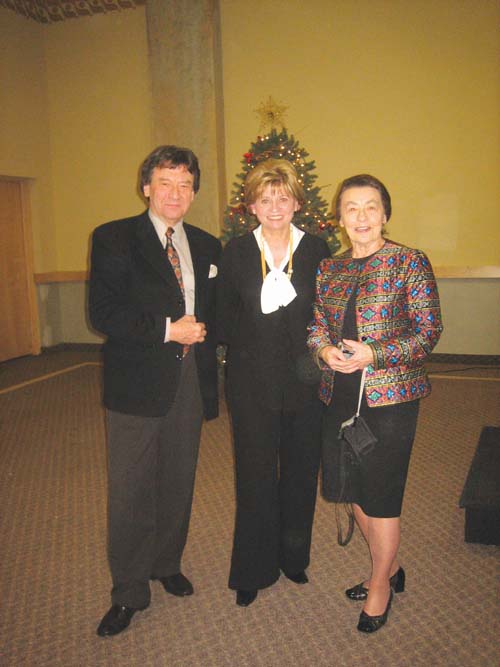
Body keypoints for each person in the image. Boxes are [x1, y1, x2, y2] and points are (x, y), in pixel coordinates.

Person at [89, 145, 221, 637]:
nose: (176, 193)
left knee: (178, 479)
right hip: (135, 383)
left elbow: (218, 311)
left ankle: (167, 563)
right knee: (129, 490)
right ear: (146, 186)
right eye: (166, 182)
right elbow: (104, 313)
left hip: (190, 379)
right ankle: (128, 591)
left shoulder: (208, 245)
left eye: (185, 185)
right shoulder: (114, 238)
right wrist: (169, 330)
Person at [307, 174, 443, 633]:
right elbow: (317, 328)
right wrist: (325, 351)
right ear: (340, 217)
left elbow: (428, 333)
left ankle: (380, 584)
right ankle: (391, 567)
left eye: (370, 207)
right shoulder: (331, 268)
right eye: (351, 208)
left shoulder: (408, 262)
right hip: (340, 393)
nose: (361, 217)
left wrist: (375, 354)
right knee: (351, 488)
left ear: (384, 214)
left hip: (391, 398)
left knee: (381, 495)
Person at [217, 159, 331, 607]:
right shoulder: (237, 253)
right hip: (251, 385)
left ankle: (292, 560)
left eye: (283, 197)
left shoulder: (317, 249)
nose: (275, 206)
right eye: (265, 198)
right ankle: (253, 569)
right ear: (252, 206)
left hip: (306, 383)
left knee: (302, 474)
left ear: (298, 202)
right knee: (255, 477)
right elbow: (223, 318)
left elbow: (330, 312)